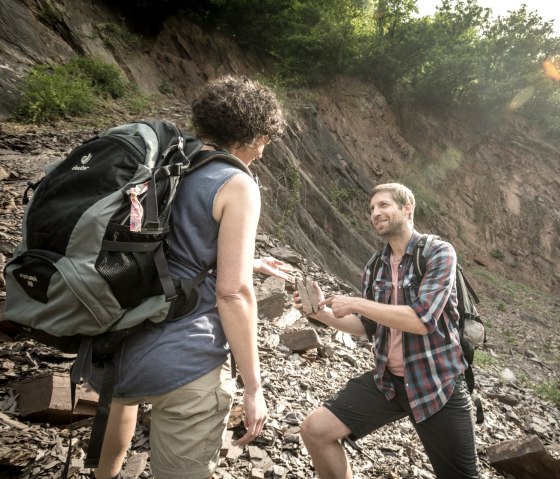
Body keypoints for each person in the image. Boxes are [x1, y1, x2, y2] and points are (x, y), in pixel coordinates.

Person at [93, 75, 288, 479]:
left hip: (122, 345)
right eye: (265, 140)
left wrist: (248, 260)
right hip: (186, 359)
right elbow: (233, 295)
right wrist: (254, 388)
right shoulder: (237, 183)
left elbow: (165, 245)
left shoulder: (168, 165)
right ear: (251, 135)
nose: (264, 152)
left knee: (122, 408)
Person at [294, 183, 479, 479]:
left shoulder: (438, 252)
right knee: (316, 431)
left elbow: (421, 320)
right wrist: (320, 313)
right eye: (371, 209)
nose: (375, 213)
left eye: (384, 205)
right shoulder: (375, 265)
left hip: (437, 384)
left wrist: (357, 302)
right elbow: (367, 327)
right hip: (388, 383)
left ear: (408, 208)